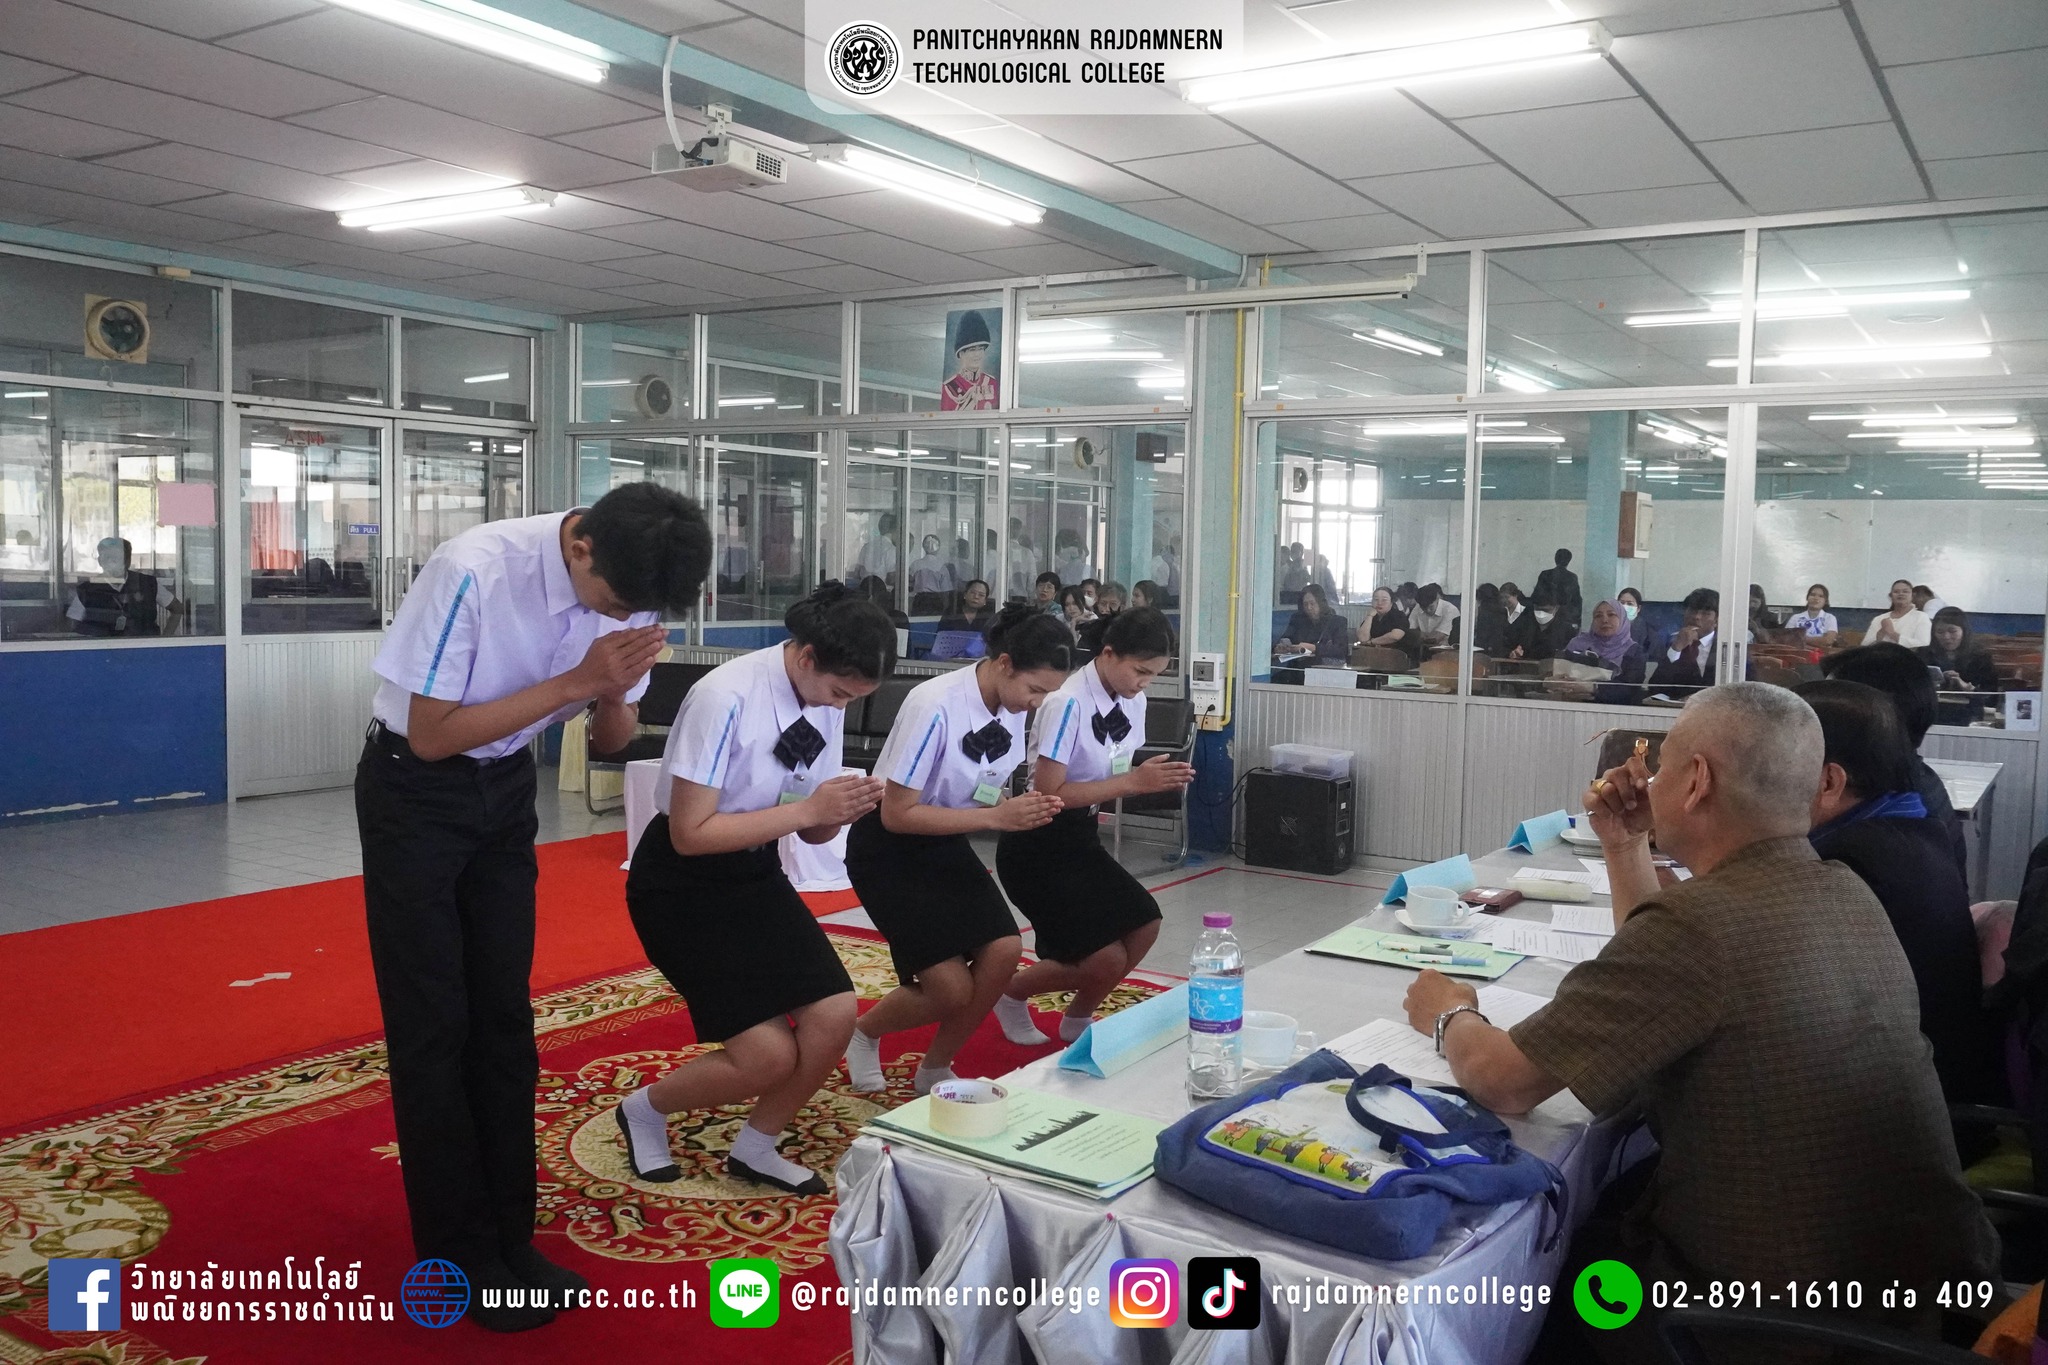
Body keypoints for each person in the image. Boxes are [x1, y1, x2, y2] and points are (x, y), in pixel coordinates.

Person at [1402, 684, 1999, 1359]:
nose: (1648, 782)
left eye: (1661, 768)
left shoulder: (1701, 925)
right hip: (1914, 1296)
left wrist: (1451, 1012)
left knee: (1537, 1282)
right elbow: (1660, 971)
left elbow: (1503, 1081)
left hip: (1761, 1320)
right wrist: (1626, 844)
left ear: (1697, 781)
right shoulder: (1845, 889)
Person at [355, 483, 710, 1331]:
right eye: (614, 602)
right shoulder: (475, 568)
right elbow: (432, 733)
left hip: (506, 790)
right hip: (417, 794)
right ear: (580, 546)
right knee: (434, 1022)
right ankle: (457, 1251)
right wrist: (578, 679)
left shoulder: (632, 578)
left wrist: (614, 694)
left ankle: (511, 1236)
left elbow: (613, 739)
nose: (620, 615)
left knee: (506, 1018)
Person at [616, 586, 893, 1196]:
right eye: (840, 693)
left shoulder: (824, 696)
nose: (841, 706)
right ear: (806, 655)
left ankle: (756, 1145)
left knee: (834, 1015)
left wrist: (840, 810)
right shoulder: (725, 696)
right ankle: (643, 1110)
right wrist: (810, 811)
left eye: (852, 699)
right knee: (766, 1056)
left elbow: (811, 823)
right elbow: (690, 834)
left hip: (755, 869)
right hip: (681, 885)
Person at [843, 606, 1071, 1097]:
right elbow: (896, 815)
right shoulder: (935, 703)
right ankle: (863, 1033)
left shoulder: (1009, 707)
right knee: (949, 989)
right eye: (1035, 690)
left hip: (943, 838)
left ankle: (935, 1065)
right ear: (1005, 663)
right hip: (887, 848)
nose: (1037, 704)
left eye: (1047, 695)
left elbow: (983, 785)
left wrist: (1016, 809)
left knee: (1005, 950)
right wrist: (996, 818)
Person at [1794, 679, 2006, 1110]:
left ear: (1829, 780)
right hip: (1931, 1092)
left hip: (1893, 1118)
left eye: (1774, 763)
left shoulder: (1845, 867)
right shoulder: (1911, 826)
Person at [993, 608, 1194, 1046]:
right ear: (1108, 654)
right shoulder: (1066, 701)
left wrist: (1140, 780)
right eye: (1140, 671)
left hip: (1081, 837)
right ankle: (1010, 993)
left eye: (1154, 675)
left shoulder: (1133, 700)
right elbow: (1049, 794)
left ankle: (1078, 1016)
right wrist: (1134, 783)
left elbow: (1113, 767)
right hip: (1037, 843)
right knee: (1104, 958)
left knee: (1145, 923)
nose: (1144, 683)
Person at [1822, 642, 1969, 878]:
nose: (1817, 718)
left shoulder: (1890, 813)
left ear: (1876, 715)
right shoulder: (1909, 775)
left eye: (1828, 704)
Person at [67, 535, 176, 637]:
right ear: (100, 561)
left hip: (143, 647)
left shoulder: (147, 583)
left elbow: (177, 609)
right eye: (108, 557)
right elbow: (72, 624)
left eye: (118, 557)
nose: (113, 561)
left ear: (128, 561)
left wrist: (165, 639)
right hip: (104, 647)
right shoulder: (86, 590)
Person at [1557, 598, 1646, 702]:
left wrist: (1592, 687)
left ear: (1622, 619)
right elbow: (1560, 674)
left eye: (1611, 614)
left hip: (1614, 709)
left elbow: (1629, 689)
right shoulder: (1578, 644)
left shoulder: (1634, 652)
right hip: (1570, 704)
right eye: (1598, 616)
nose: (1604, 620)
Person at [1653, 587, 1720, 693]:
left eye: (1705, 613)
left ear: (1716, 619)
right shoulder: (1671, 641)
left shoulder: (1724, 646)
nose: (1697, 617)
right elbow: (1655, 686)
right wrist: (1676, 649)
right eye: (1692, 610)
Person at [1921, 606, 2000, 695]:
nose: (1946, 637)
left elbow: (1991, 694)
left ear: (1964, 631)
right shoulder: (1924, 654)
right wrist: (1939, 680)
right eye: (1940, 632)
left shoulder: (1981, 657)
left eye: (1952, 631)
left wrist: (1968, 688)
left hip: (1968, 703)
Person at [1275, 582, 1348, 662]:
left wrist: (1314, 648)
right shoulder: (1297, 619)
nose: (1309, 608)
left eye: (1312, 603)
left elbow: (1342, 650)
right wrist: (1283, 645)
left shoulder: (1337, 622)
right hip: (1297, 666)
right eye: (1305, 604)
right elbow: (1287, 637)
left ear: (1320, 603)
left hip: (1322, 666)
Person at [1864, 578, 1932, 648]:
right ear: (1891, 596)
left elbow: (1923, 644)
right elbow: (1865, 646)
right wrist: (1881, 632)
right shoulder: (1879, 619)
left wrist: (1892, 634)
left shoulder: (1921, 617)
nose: (1901, 594)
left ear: (1912, 596)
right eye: (1896, 592)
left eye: (1905, 591)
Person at [1516, 587, 1574, 661]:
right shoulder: (1524, 624)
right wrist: (1513, 652)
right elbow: (1508, 644)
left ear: (1556, 608)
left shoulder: (1567, 630)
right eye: (1537, 609)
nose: (1541, 613)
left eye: (1546, 610)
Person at [1533, 547, 1582, 629]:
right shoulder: (1572, 577)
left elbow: (1536, 596)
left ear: (1555, 559)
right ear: (1569, 561)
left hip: (1545, 617)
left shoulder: (1545, 574)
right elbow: (1577, 601)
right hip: (1565, 617)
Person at [1361, 586, 1413, 658]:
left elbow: (1395, 636)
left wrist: (1372, 642)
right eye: (1376, 599)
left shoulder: (1399, 616)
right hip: (1372, 655)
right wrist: (1369, 616)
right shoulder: (1373, 617)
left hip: (1395, 655)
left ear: (1391, 602)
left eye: (1384, 600)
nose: (1379, 603)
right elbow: (1363, 639)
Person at [907, 534, 954, 611]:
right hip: (936, 600)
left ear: (923, 547)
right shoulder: (942, 566)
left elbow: (909, 584)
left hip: (919, 600)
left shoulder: (915, 564)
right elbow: (945, 590)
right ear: (938, 548)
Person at [850, 512, 899, 587]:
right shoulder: (891, 550)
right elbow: (891, 579)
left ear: (879, 527)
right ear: (895, 529)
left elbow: (857, 573)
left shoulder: (866, 547)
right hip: (883, 591)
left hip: (864, 589)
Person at [1409, 582, 1459, 648]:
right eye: (1424, 608)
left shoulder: (1450, 610)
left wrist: (1420, 635)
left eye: (1431, 607)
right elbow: (1410, 632)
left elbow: (1436, 638)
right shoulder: (1418, 607)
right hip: (1422, 647)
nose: (1428, 610)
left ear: (1437, 599)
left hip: (1444, 649)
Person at [1790, 582, 1839, 647]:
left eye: (1821, 596)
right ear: (1807, 598)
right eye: (1812, 595)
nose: (1816, 598)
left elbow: (1828, 641)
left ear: (1826, 601)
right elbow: (1787, 639)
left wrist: (1802, 639)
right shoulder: (1795, 618)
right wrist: (1819, 640)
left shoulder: (1830, 618)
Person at [1497, 581, 1534, 659]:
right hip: (1503, 655)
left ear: (1515, 595)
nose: (1504, 600)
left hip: (1521, 655)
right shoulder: (1499, 613)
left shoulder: (1526, 613)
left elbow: (1528, 635)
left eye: (1507, 597)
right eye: (1502, 597)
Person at [1467, 582, 1506, 655]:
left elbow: (1482, 638)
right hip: (1500, 651)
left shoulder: (1484, 613)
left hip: (1484, 652)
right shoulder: (1503, 611)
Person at [1616, 585, 1653, 651]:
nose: (1625, 607)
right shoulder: (1609, 626)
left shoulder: (1648, 633)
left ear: (1638, 608)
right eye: (1622, 603)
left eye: (1629, 604)